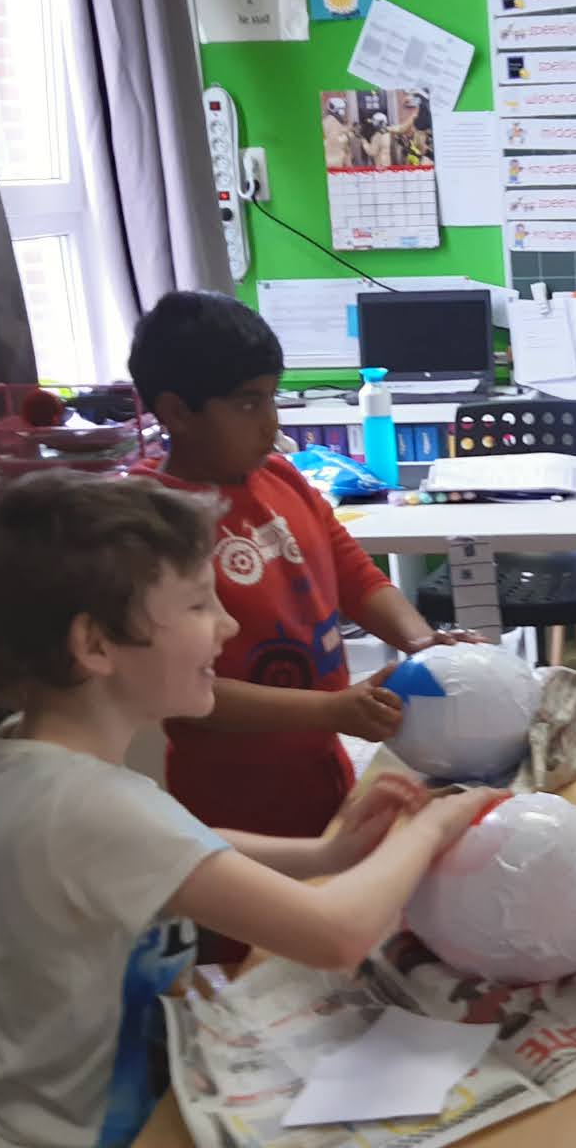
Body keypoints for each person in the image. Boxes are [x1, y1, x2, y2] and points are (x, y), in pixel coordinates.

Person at [0, 470, 502, 1148]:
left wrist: (326, 853)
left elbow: (179, 848)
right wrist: (430, 830)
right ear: (95, 645)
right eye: (200, 604)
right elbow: (336, 936)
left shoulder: (28, 758)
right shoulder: (86, 804)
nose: (229, 624)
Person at [129, 291, 472, 849]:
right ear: (176, 412)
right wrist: (331, 710)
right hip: (232, 802)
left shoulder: (281, 478)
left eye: (272, 398)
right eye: (247, 404)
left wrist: (421, 642)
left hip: (323, 768)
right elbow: (185, 691)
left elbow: (355, 575)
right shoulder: (147, 520)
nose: (271, 424)